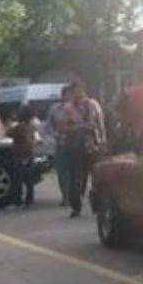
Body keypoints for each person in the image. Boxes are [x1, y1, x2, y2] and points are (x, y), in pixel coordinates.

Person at [58, 82, 106, 218]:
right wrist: (79, 128)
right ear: (72, 94)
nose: (79, 95)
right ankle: (76, 206)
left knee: (97, 176)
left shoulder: (93, 105)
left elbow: (101, 124)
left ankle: (98, 205)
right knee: (75, 178)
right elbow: (61, 127)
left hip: (93, 145)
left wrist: (102, 141)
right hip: (75, 147)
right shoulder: (68, 108)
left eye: (81, 91)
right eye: (76, 92)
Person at [45, 85, 74, 206]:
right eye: (66, 95)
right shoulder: (54, 109)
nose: (68, 97)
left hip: (75, 143)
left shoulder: (77, 108)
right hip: (61, 143)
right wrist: (55, 135)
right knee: (62, 172)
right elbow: (49, 125)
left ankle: (74, 196)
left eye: (70, 95)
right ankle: (65, 196)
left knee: (74, 171)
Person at [9, 105, 39, 209]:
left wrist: (11, 123)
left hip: (21, 155)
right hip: (29, 154)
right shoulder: (31, 127)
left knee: (18, 179)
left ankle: (17, 202)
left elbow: (9, 133)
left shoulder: (19, 127)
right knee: (28, 179)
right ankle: (29, 200)